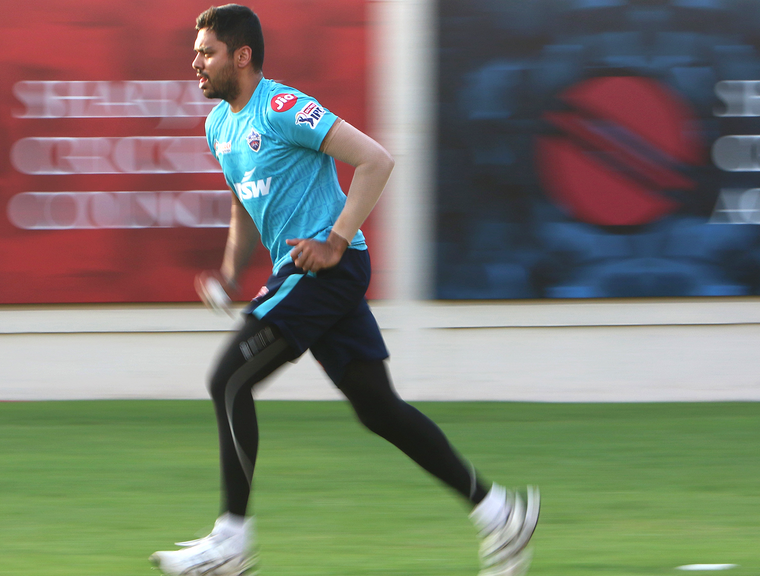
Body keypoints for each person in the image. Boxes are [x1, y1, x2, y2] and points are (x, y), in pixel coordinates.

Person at [149, 5, 539, 576]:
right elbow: (243, 201)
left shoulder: (282, 107)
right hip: (305, 273)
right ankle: (499, 512)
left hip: (324, 270)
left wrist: (334, 240)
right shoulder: (218, 127)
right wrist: (231, 273)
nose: (195, 62)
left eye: (206, 52)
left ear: (242, 56)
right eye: (195, 52)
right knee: (379, 409)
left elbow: (375, 160)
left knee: (228, 378)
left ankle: (231, 542)